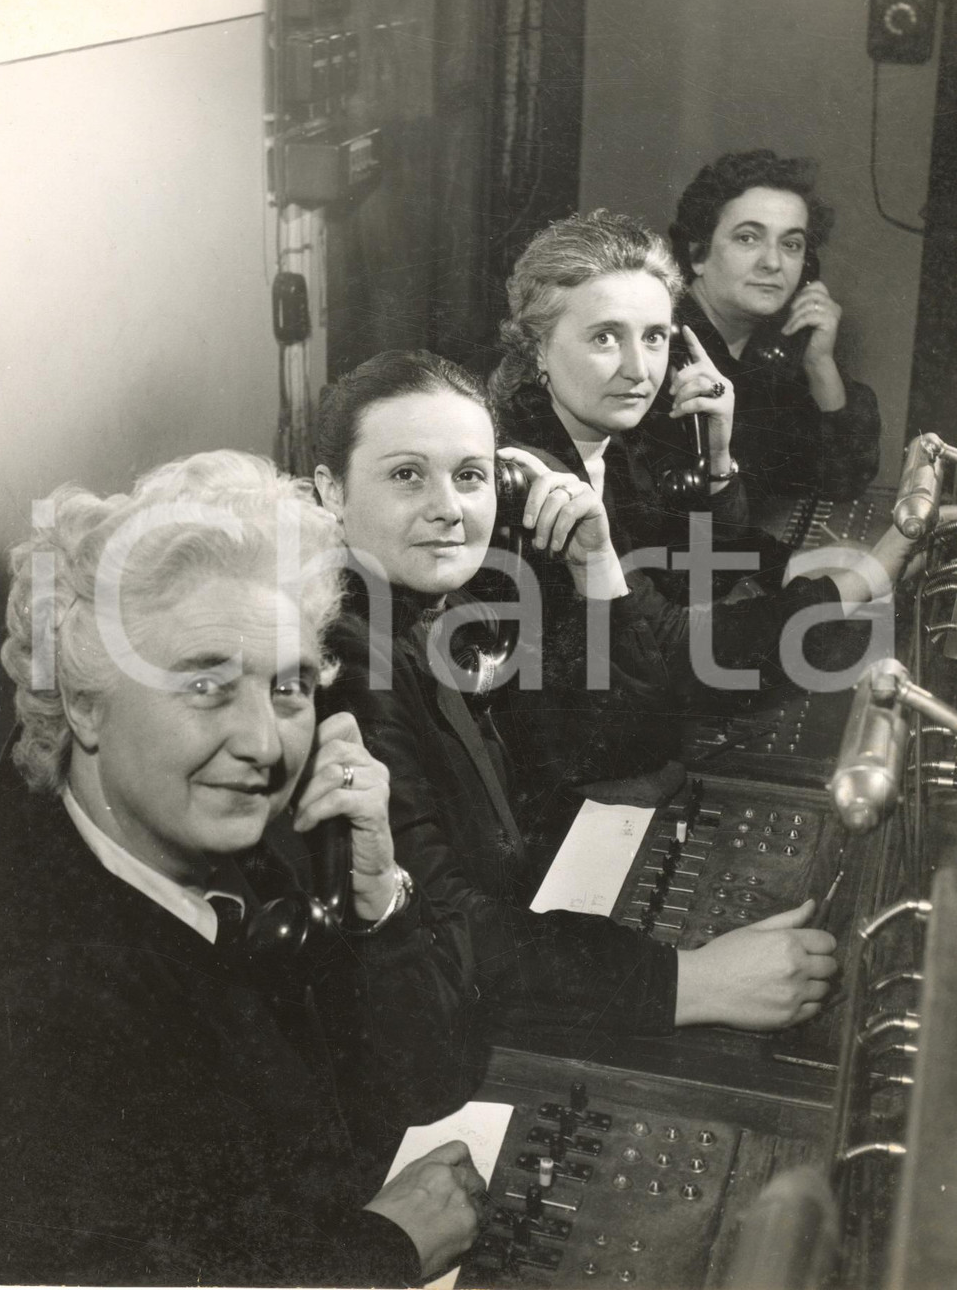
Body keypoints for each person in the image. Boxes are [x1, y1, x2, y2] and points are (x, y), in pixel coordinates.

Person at [0, 450, 485, 1288]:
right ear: (87, 702)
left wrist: (376, 894)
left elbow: (435, 1083)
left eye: (288, 689)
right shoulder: (14, 968)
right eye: (206, 687)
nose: (264, 743)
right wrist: (384, 1252)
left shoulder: (241, 837)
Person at [311, 349, 897, 1056]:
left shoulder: (459, 595)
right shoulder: (338, 668)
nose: (447, 508)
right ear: (331, 492)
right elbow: (446, 930)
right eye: (407, 475)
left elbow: (627, 745)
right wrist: (692, 982)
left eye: (469, 476)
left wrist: (595, 561)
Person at [490, 209, 751, 591]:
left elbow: (706, 582)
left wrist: (716, 455)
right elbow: (667, 636)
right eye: (605, 338)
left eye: (653, 337)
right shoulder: (524, 471)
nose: (639, 370)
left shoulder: (623, 450)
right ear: (536, 349)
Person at [668, 148, 881, 508]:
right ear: (697, 255)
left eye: (791, 244)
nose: (773, 263)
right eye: (747, 238)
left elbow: (842, 483)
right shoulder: (659, 347)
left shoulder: (774, 360)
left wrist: (819, 363)